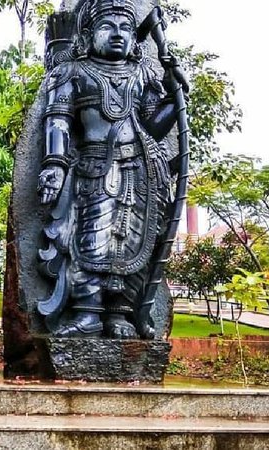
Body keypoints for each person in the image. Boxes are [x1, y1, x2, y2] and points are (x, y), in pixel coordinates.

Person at [37, 0, 182, 340]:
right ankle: (87, 312)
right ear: (88, 35)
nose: (118, 34)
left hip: (141, 170)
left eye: (126, 28)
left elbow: (153, 127)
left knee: (135, 240)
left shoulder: (142, 75)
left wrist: (175, 98)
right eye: (108, 26)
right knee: (91, 238)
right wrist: (54, 164)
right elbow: (58, 121)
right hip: (95, 168)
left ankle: (120, 314)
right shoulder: (72, 73)